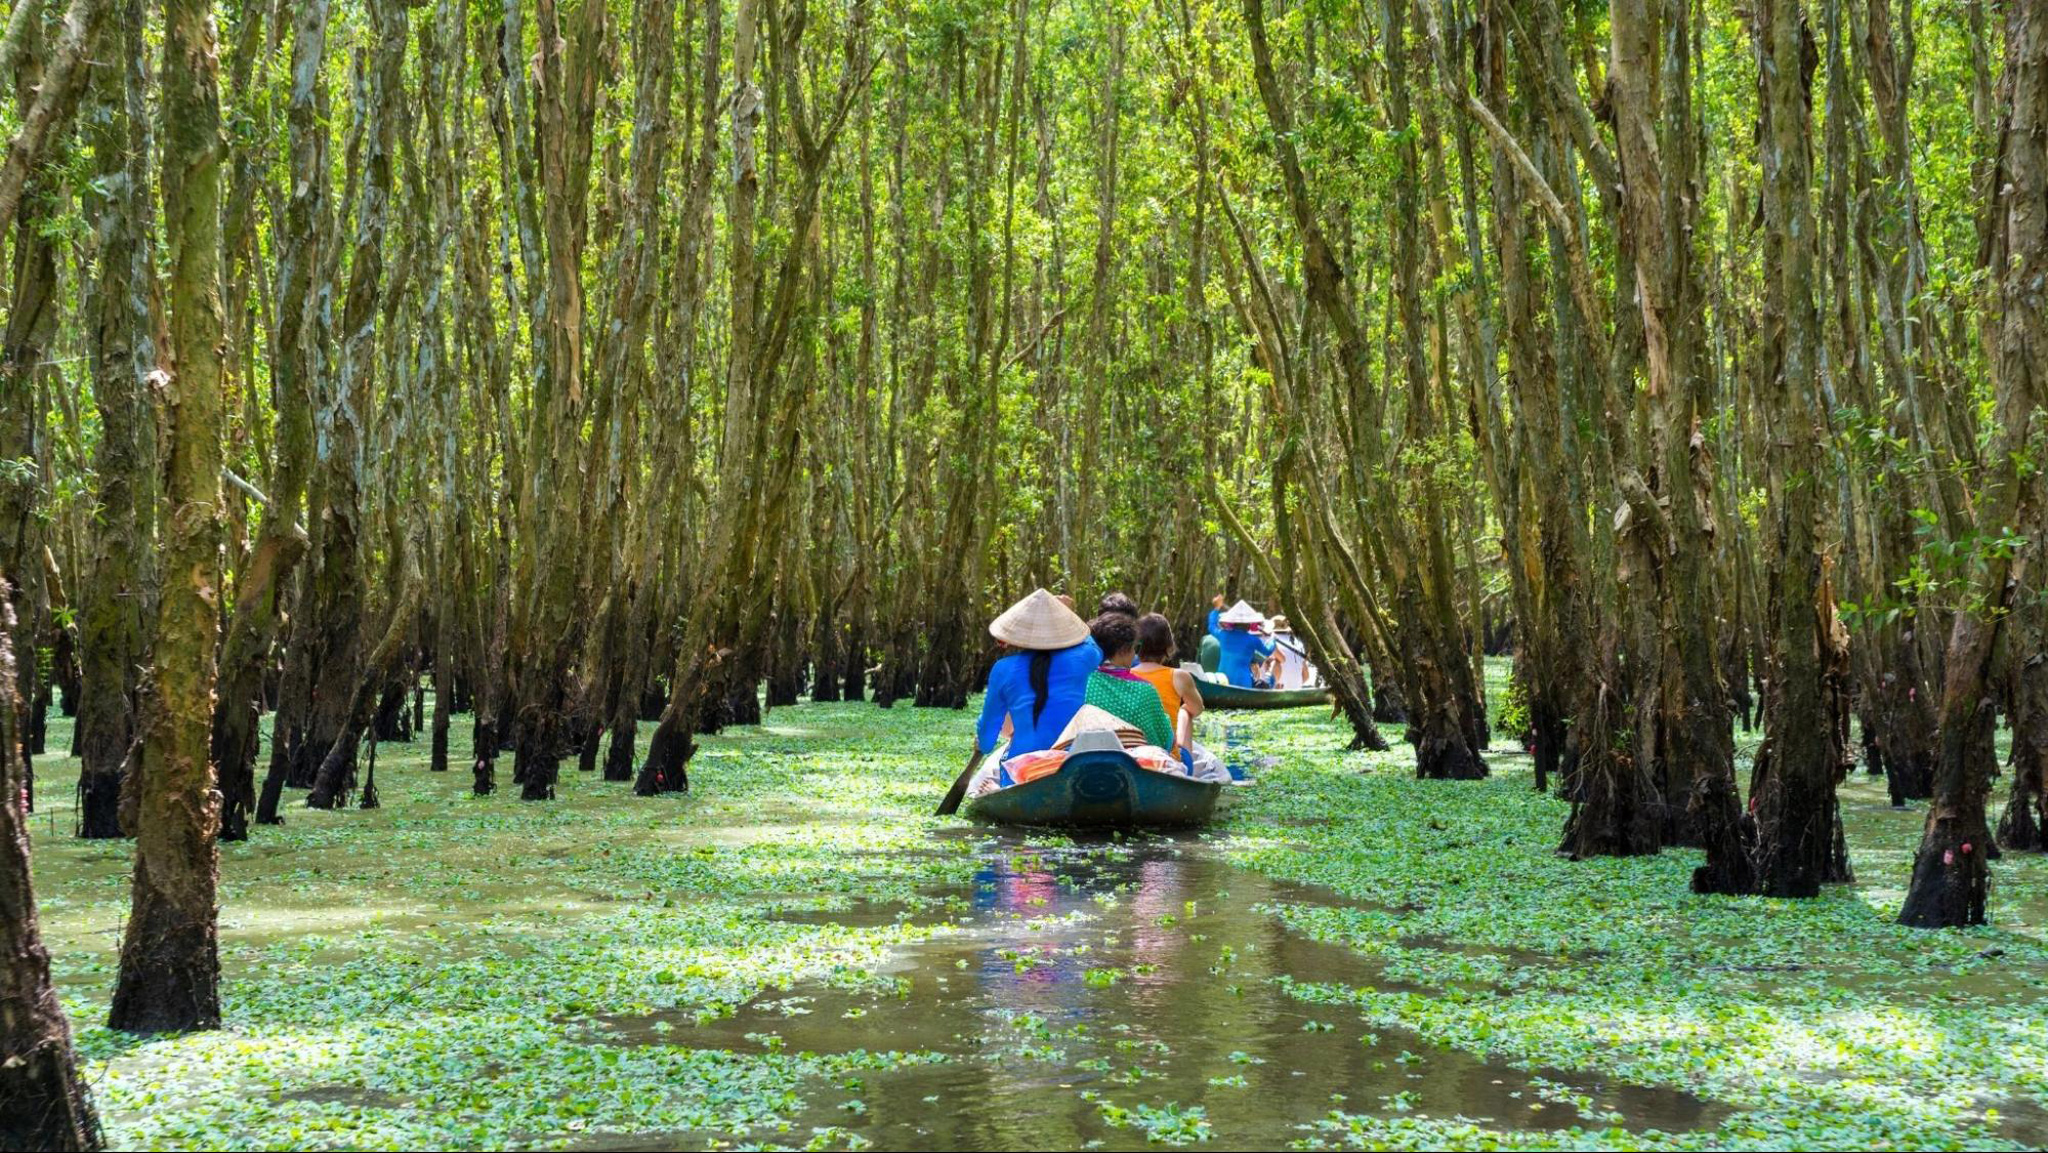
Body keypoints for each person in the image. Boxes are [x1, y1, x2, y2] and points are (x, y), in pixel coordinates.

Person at [974, 589, 1100, 760]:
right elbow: (1087, 639)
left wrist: (981, 741)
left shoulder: (1003, 668)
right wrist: (1065, 614)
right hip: (1073, 761)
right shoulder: (1085, 657)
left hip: (1022, 765)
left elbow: (987, 742)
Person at [1081, 612, 1176, 751]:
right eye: (1134, 648)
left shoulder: (1084, 681)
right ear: (1123, 650)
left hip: (1089, 757)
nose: (1134, 655)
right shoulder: (1144, 690)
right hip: (1134, 766)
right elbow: (1163, 741)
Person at [1131, 613, 1208, 754]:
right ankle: (1185, 768)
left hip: (1136, 755)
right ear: (1169, 646)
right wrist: (1182, 710)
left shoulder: (1127, 675)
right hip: (1168, 756)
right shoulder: (1179, 677)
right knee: (1186, 712)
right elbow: (1197, 709)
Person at [1215, 599, 1276, 688]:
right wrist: (1273, 640)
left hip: (1222, 679)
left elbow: (1211, 625)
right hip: (1242, 681)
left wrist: (1215, 610)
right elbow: (1267, 651)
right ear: (1249, 624)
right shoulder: (1252, 639)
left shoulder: (1223, 634)